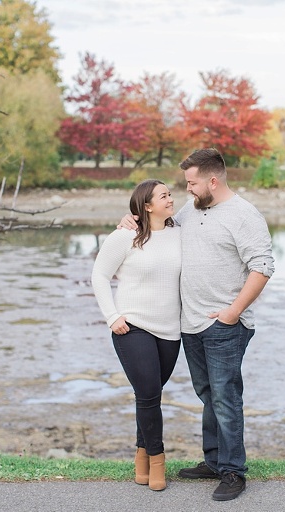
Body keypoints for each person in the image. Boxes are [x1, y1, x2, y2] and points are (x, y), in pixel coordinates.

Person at [120, 148, 275, 501]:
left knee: (225, 396)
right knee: (208, 395)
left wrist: (233, 312)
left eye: (191, 183)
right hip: (189, 323)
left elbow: (263, 266)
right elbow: (157, 228)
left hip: (224, 324)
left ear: (213, 180)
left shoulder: (244, 216)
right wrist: (130, 221)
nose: (186, 189)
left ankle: (233, 472)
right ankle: (215, 461)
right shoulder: (191, 211)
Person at [91, 179, 182, 492]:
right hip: (133, 327)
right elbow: (99, 276)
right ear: (146, 205)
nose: (171, 199)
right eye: (164, 196)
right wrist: (112, 316)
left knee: (150, 395)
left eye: (170, 194)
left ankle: (141, 455)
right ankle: (157, 459)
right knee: (148, 394)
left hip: (171, 330)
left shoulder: (180, 233)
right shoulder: (125, 235)